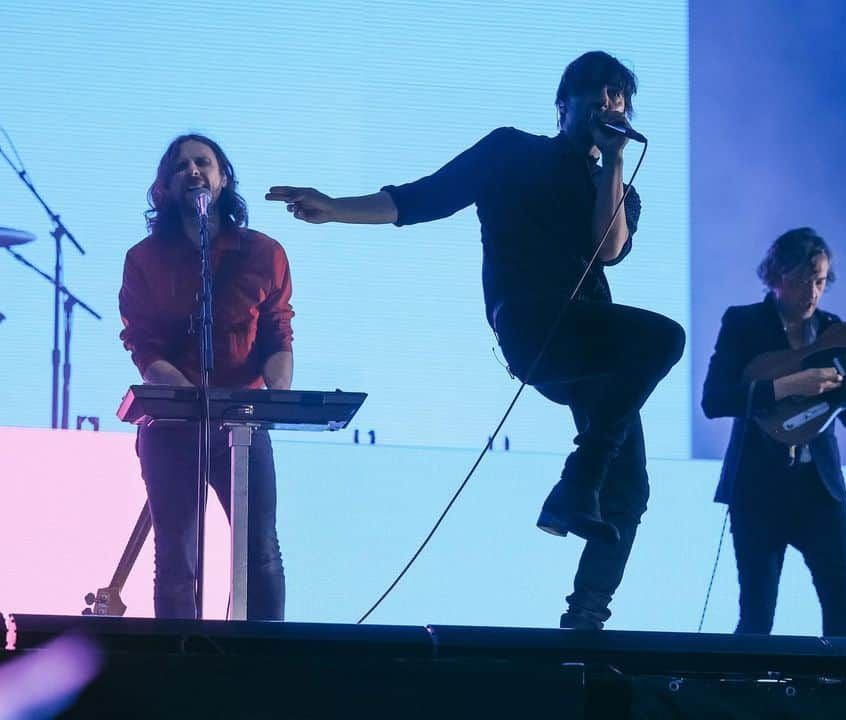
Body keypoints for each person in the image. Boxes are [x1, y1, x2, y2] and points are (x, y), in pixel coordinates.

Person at [266, 51, 684, 630]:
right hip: (534, 325)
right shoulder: (512, 150)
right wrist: (335, 208)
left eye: (618, 98)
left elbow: (608, 247)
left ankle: (584, 618)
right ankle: (577, 482)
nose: (608, 105)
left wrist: (611, 162)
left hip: (592, 341)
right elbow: (423, 198)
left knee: (631, 489)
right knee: (665, 338)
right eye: (595, 93)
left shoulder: (615, 187)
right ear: (563, 106)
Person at [119, 134, 294, 619]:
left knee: (261, 550)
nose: (192, 171)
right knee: (177, 556)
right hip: (172, 426)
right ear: (165, 187)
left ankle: (268, 662)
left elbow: (279, 332)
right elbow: (142, 342)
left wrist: (278, 395)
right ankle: (180, 669)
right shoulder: (144, 259)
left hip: (243, 424)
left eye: (203, 162)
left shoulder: (264, 253)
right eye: (180, 167)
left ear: (223, 177)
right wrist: (190, 399)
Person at [701, 227, 846, 636]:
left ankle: (845, 692)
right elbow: (715, 400)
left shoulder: (835, 330)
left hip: (819, 489)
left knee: (842, 603)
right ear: (777, 276)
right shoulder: (744, 323)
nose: (812, 292)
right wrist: (789, 385)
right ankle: (742, 695)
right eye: (803, 280)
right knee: (757, 613)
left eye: (820, 281)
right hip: (756, 488)